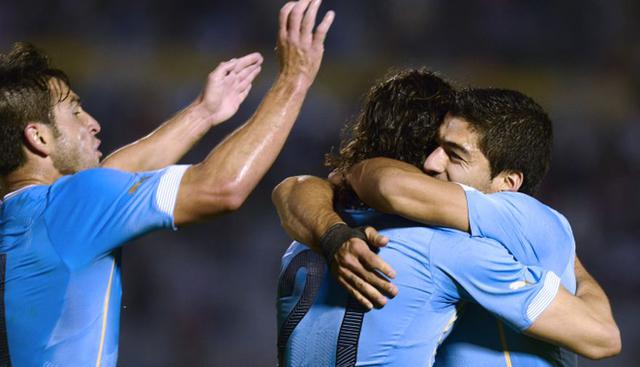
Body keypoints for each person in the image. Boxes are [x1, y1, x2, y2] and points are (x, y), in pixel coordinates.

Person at [0, 1, 334, 365]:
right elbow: (221, 186)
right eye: (75, 112)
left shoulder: (27, 219)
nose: (93, 123)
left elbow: (108, 178)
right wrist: (293, 81)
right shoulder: (71, 206)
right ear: (39, 138)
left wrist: (203, 112)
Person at [272, 69, 620, 366]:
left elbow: (303, 188)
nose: (434, 164)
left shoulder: (311, 227)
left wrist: (338, 209)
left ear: (509, 183)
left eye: (453, 154)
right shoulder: (446, 247)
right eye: (435, 148)